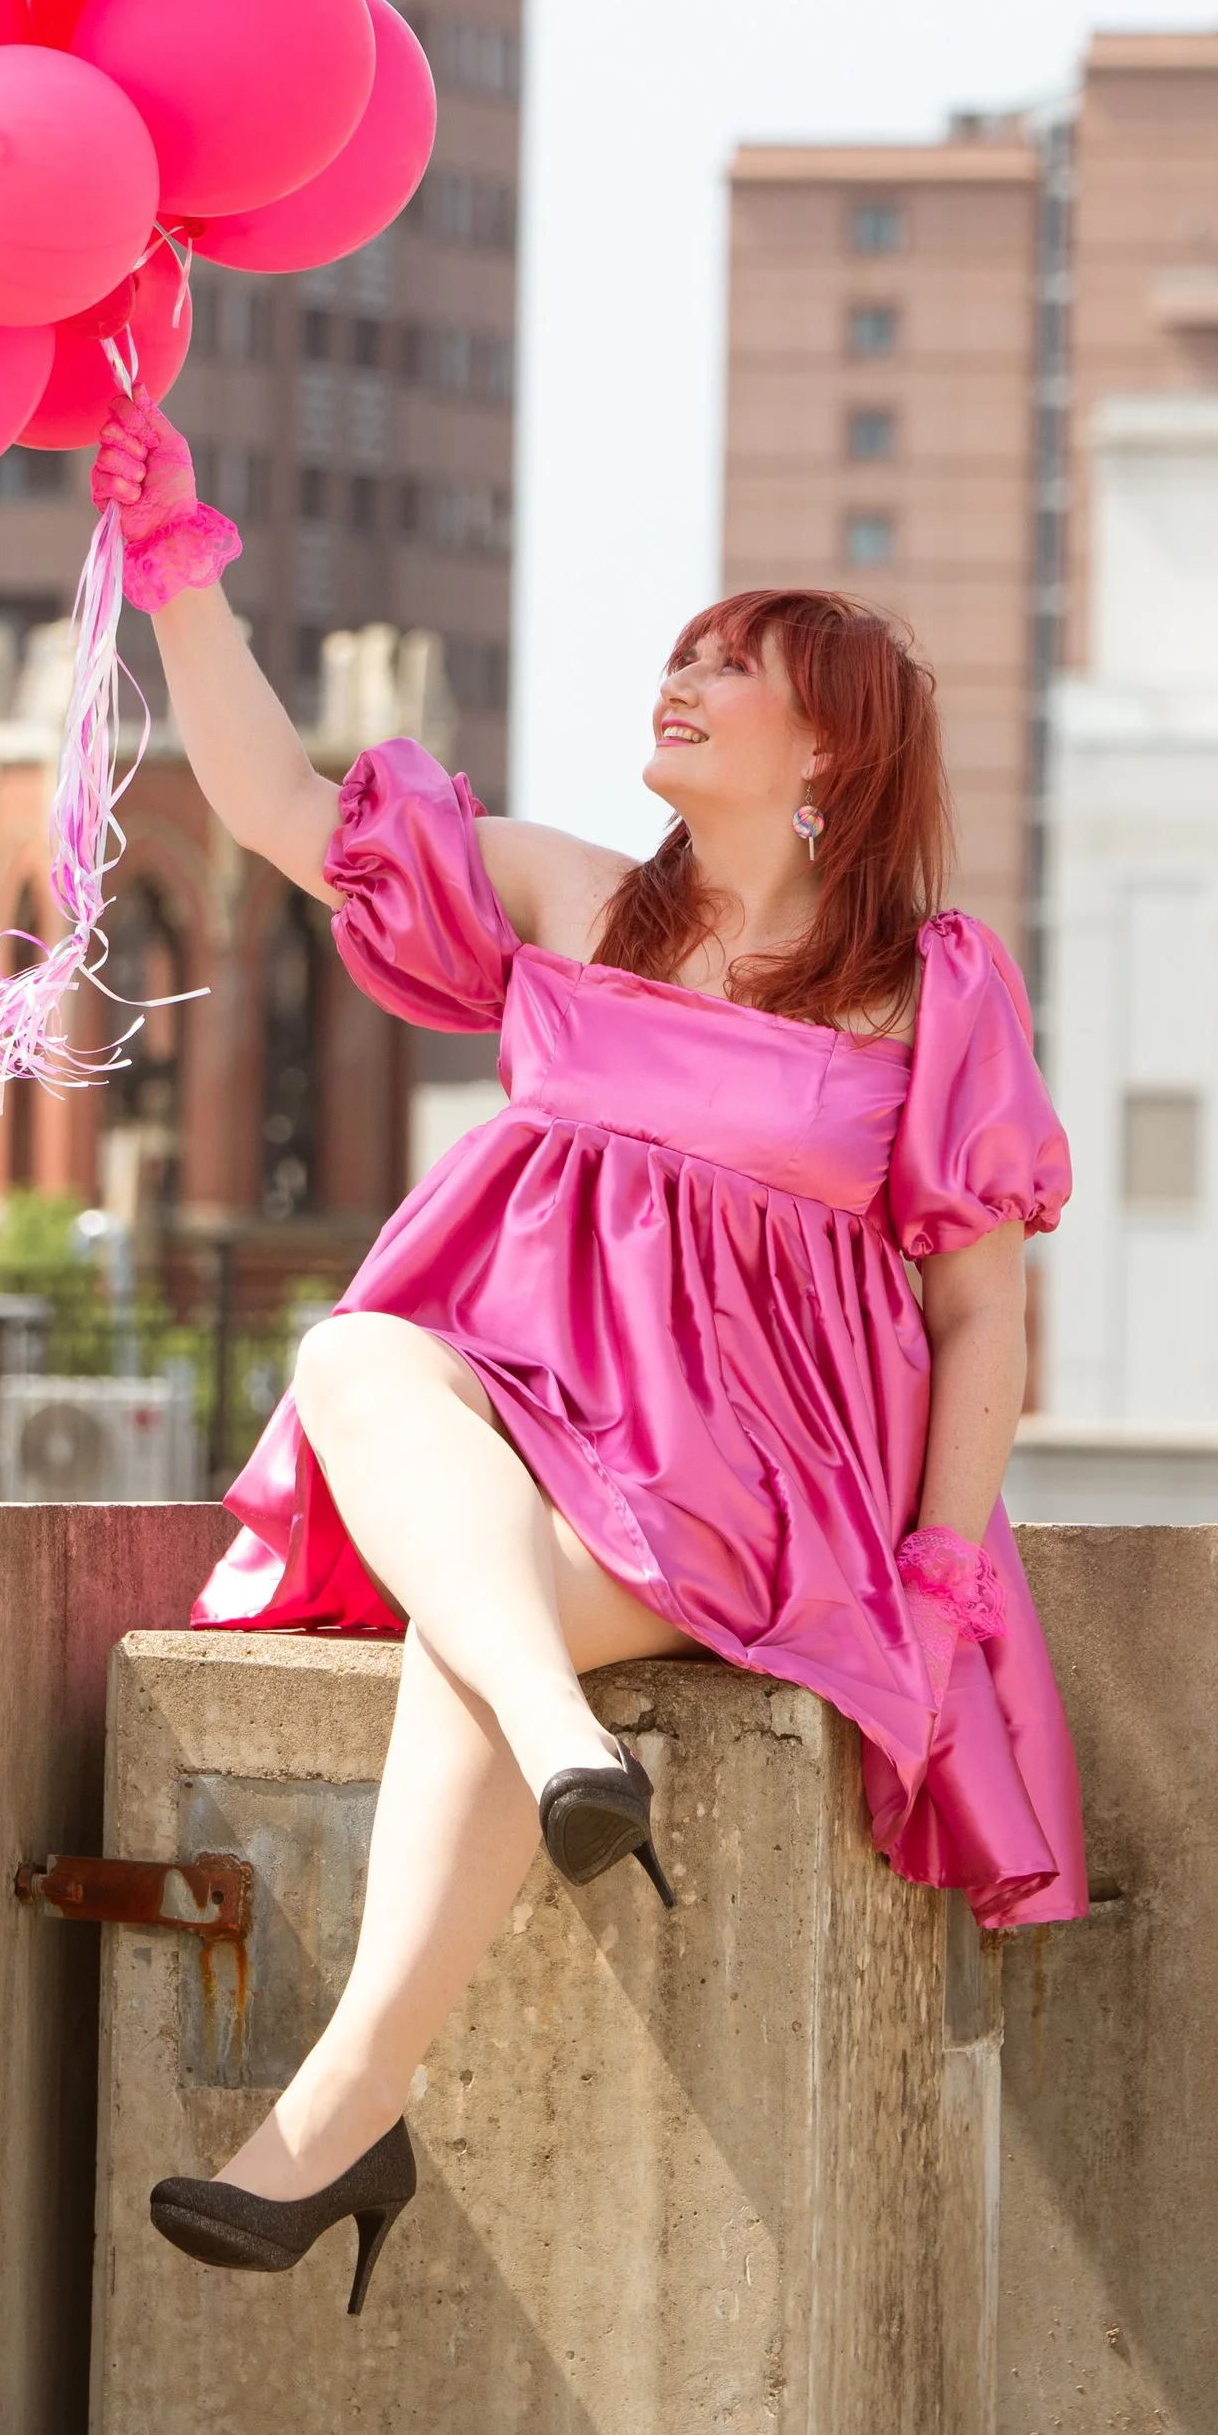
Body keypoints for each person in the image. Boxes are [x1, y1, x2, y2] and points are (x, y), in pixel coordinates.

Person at [89, 396, 1087, 2321]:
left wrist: (949, 1571)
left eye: (736, 666)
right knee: (359, 1351)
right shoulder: (575, 900)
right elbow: (287, 814)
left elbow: (982, 1313)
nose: (683, 677)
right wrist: (179, 567)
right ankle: (558, 1758)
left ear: (833, 752)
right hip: (514, 1417)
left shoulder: (923, 987)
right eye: (683, 653)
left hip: (754, 1474)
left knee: (466, 1637)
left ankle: (349, 2096)